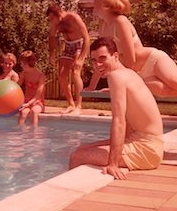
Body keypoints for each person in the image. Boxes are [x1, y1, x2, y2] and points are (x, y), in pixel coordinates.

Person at [69, 37, 164, 180]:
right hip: (148, 145)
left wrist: (112, 164)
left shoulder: (116, 77)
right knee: (82, 148)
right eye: (94, 60)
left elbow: (119, 121)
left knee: (76, 157)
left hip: (146, 149)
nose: (98, 64)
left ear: (115, 56)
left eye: (102, 58)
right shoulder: (128, 73)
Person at [47, 4, 90, 115]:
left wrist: (81, 58)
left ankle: (79, 106)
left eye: (52, 19)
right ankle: (71, 104)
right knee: (61, 76)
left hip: (79, 44)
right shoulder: (56, 23)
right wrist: (51, 54)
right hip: (68, 45)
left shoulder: (73, 18)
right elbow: (51, 37)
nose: (51, 21)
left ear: (58, 14)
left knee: (76, 73)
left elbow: (86, 38)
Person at [18, 50, 46, 126]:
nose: (20, 65)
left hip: (38, 102)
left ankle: (34, 135)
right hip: (27, 100)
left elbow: (38, 95)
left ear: (26, 64)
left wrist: (28, 104)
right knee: (23, 113)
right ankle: (20, 134)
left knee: (34, 112)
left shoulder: (40, 76)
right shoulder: (24, 74)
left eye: (21, 63)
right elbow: (17, 86)